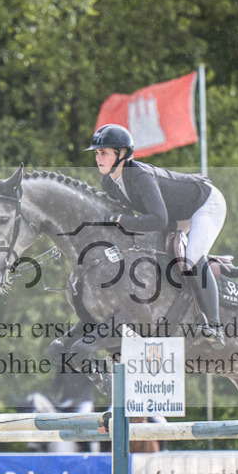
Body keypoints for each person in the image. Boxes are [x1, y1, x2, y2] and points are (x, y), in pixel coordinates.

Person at [86, 123, 228, 348]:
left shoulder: (140, 176)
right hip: (176, 213)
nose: (98, 157)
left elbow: (157, 219)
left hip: (204, 203)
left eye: (103, 152)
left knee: (191, 256)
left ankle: (214, 324)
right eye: (96, 153)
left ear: (121, 154)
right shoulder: (109, 182)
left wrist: (122, 221)